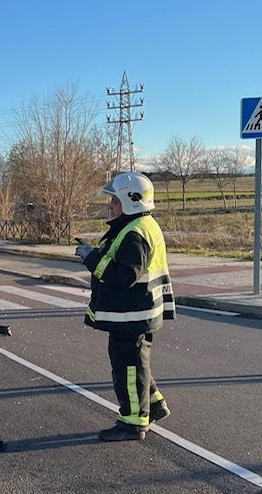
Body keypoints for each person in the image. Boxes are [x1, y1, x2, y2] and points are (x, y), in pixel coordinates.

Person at [77, 171, 175, 442]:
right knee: (137, 364)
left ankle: (132, 422)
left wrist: (91, 259)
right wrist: (95, 254)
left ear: (132, 201)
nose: (110, 205)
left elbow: (123, 276)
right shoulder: (138, 225)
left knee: (128, 369)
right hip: (136, 314)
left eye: (115, 201)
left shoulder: (135, 233)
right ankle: (153, 406)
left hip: (132, 315)